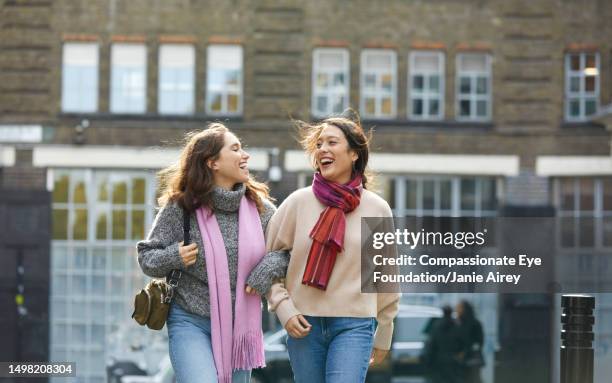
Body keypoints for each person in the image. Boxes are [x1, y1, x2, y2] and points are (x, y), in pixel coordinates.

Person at [246, 112, 401, 383]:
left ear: (354, 154)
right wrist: (284, 308)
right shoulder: (296, 203)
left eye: (332, 143)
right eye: (319, 144)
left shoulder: (377, 208)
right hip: (304, 325)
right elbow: (267, 264)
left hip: (355, 325)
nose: (322, 150)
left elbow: (385, 277)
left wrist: (385, 331)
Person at [137, 123, 278, 383]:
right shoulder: (181, 207)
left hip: (241, 328)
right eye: (235, 149)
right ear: (212, 162)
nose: (245, 155)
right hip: (190, 321)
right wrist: (174, 256)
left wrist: (269, 267)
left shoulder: (261, 210)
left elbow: (288, 251)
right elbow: (147, 257)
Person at [421, 305, 464, 383]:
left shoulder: (437, 326)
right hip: (453, 361)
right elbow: (462, 343)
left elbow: (431, 345)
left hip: (439, 361)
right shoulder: (457, 326)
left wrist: (428, 361)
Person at [456, 300, 485, 383]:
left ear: (465, 309)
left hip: (472, 359)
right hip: (462, 360)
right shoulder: (459, 323)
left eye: (459, 308)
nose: (457, 310)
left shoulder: (475, 323)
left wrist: (465, 352)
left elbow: (478, 342)